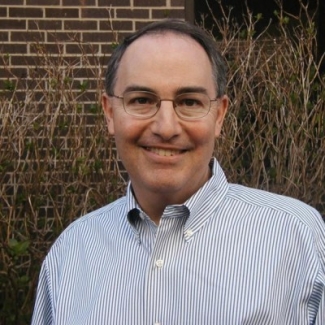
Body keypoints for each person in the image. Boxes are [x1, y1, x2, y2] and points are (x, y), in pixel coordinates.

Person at [31, 19, 325, 324]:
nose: (166, 128)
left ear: (220, 116)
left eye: (189, 102)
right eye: (142, 100)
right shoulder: (71, 253)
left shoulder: (296, 237)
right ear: (109, 113)